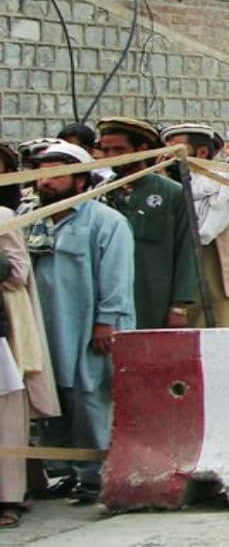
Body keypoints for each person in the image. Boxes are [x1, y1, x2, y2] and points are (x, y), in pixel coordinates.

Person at [24, 141, 134, 504]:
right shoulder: (31, 220)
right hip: (43, 327)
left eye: (57, 175)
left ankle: (97, 475)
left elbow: (117, 276)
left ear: (81, 180)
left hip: (88, 327)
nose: (46, 183)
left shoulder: (106, 222)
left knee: (90, 398)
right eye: (41, 175)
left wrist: (107, 320)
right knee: (50, 399)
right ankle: (63, 472)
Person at [161, 124, 229, 328]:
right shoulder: (163, 188)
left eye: (174, 149)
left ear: (201, 152)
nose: (166, 156)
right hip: (174, 287)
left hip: (223, 283)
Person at [0, 146, 59, 528]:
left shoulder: (3, 218)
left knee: (5, 415)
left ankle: (7, 497)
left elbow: (17, 273)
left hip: (1, 333)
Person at [96, 117, 199, 330]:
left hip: (153, 297)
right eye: (106, 150)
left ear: (142, 149)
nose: (111, 157)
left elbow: (186, 250)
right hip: (107, 299)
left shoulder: (173, 193)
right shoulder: (99, 193)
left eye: (119, 150)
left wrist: (179, 306)